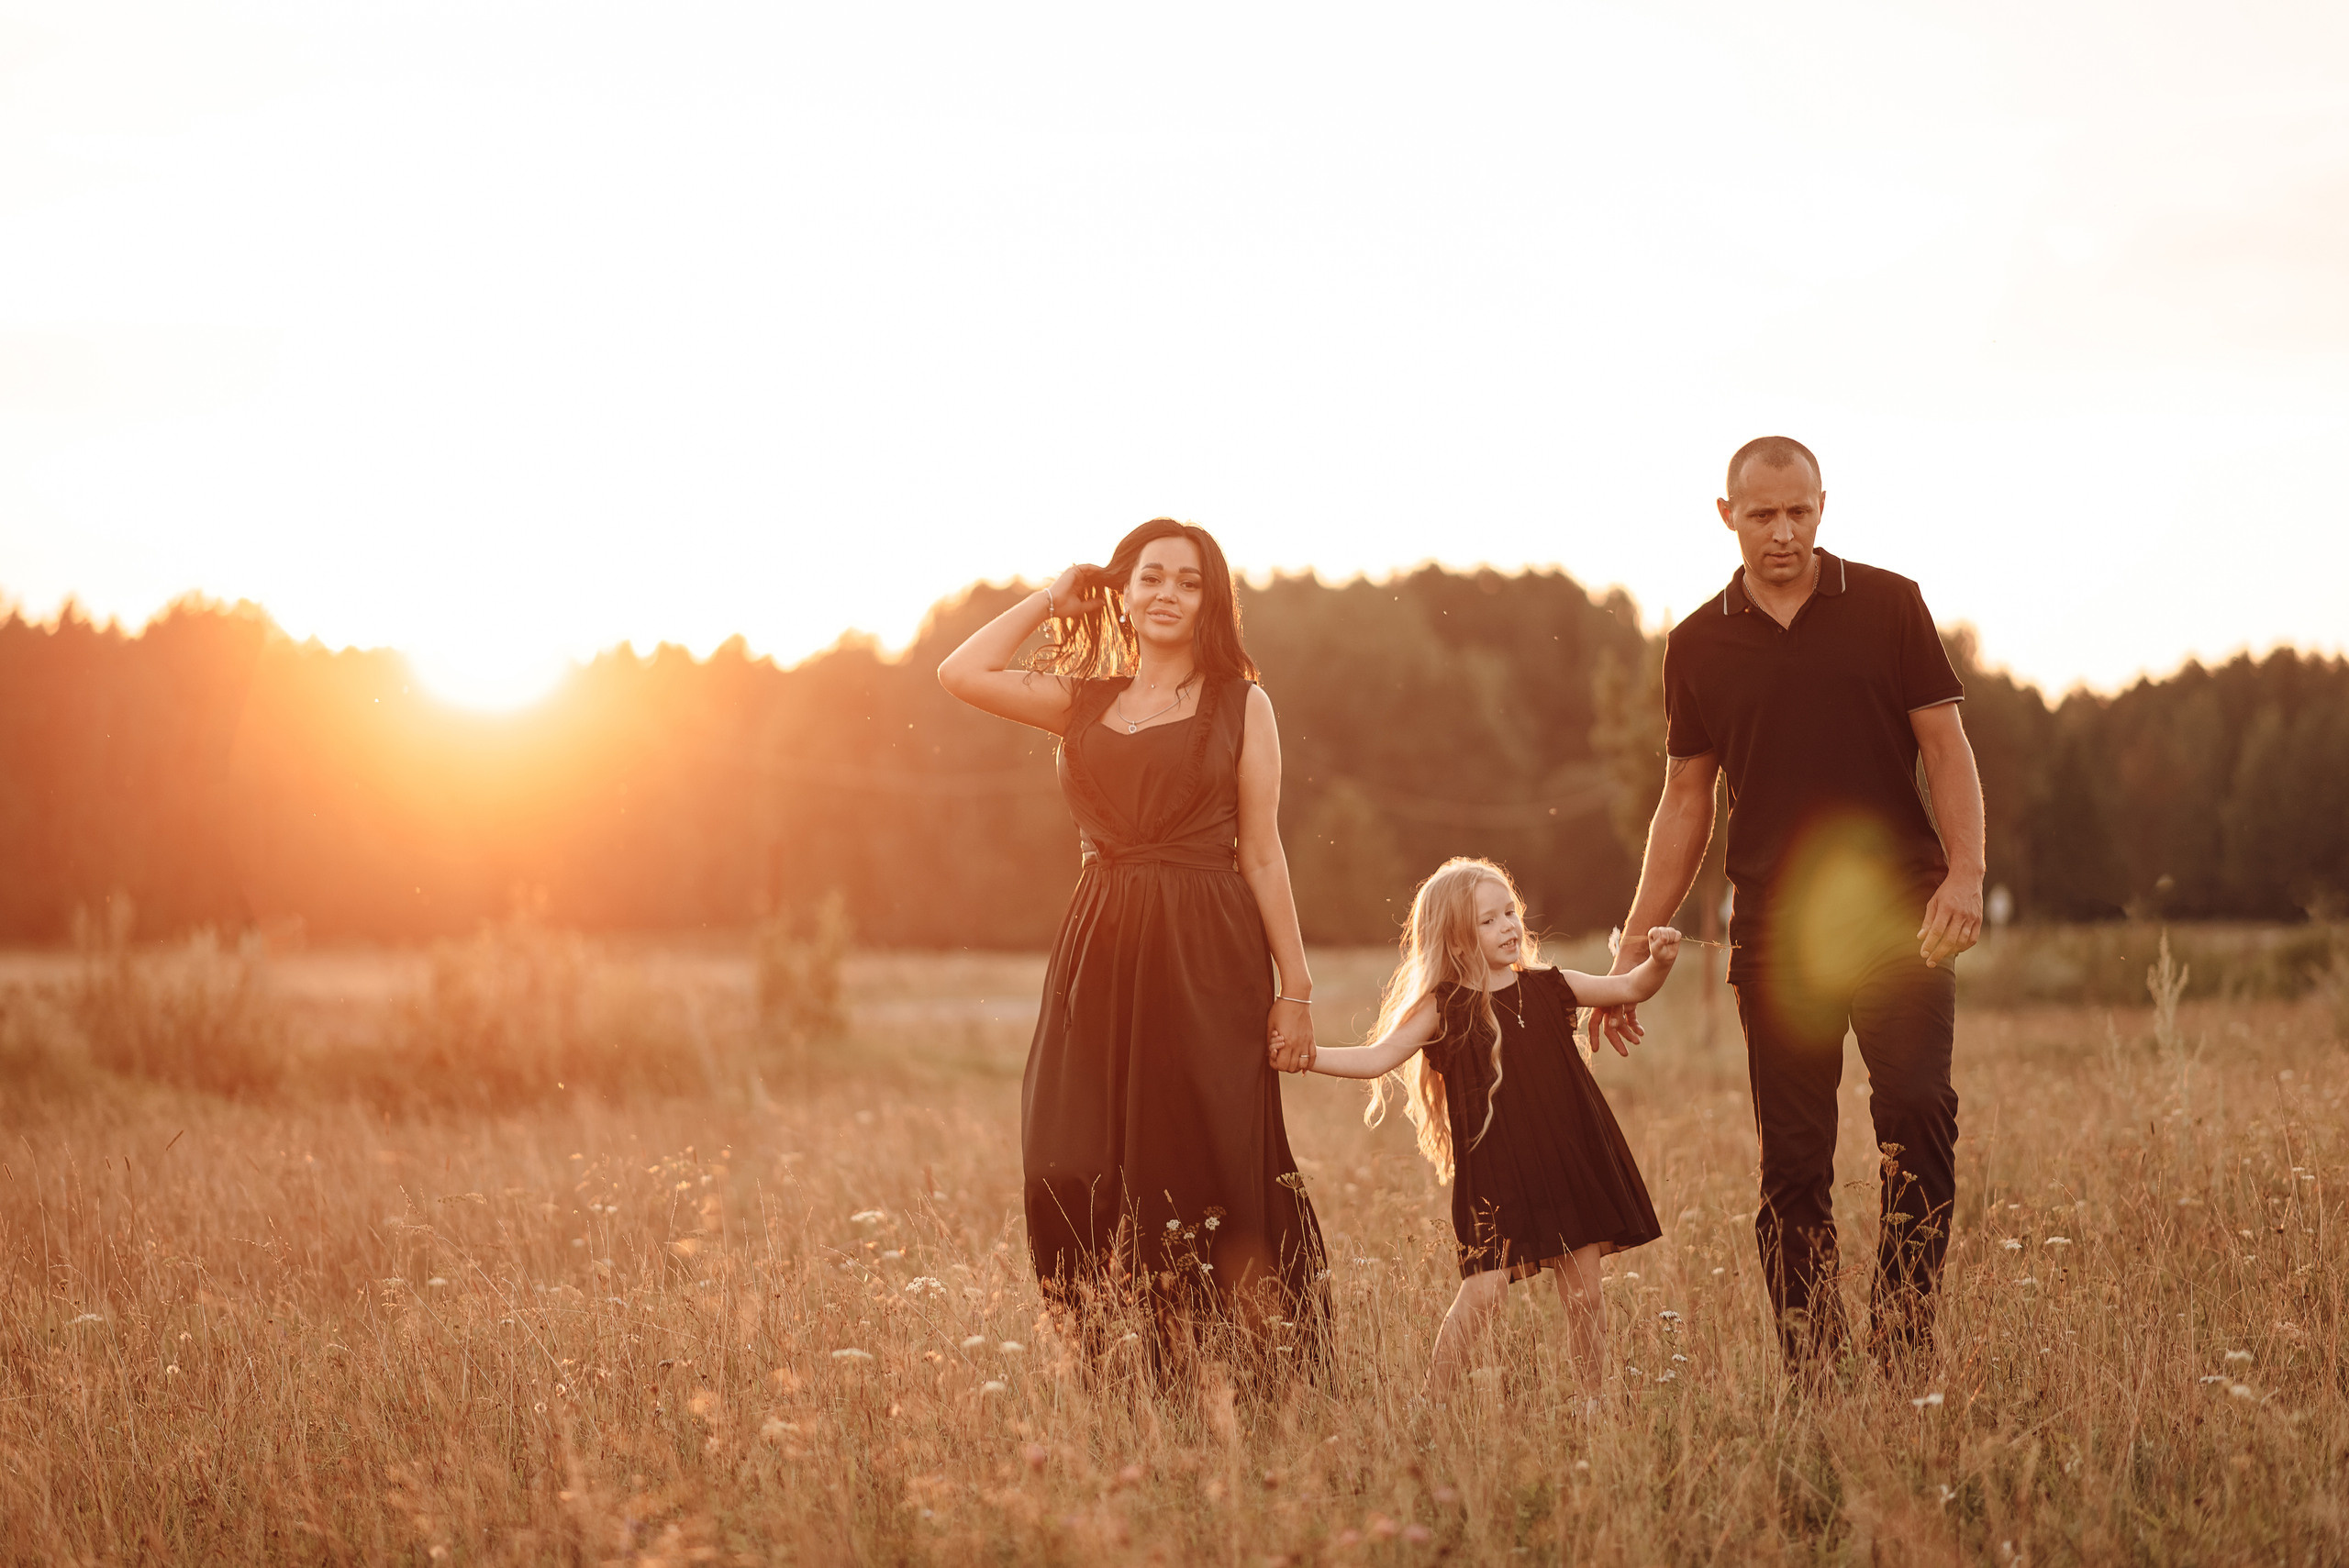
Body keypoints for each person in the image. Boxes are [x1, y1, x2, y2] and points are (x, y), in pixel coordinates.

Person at [1590, 436, 1985, 1376]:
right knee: (1793, 1164)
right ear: (1725, 515)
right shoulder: (1695, 643)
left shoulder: (1889, 604)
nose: (1782, 531)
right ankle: (1813, 1366)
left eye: (1798, 510)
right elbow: (1686, 799)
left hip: (1900, 918)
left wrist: (1964, 874)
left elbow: (1947, 747)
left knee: (1919, 1116)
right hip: (1774, 936)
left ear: (1822, 506)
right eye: (1761, 514)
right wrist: (1628, 956)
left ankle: (1900, 1343)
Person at [936, 517, 1327, 1362]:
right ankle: (1105, 1352)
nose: (1166, 595)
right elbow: (960, 672)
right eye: (1150, 576)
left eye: (1188, 582)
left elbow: (1261, 850)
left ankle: (1239, 1369)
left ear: (1209, 601)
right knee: (1064, 1157)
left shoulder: (1241, 703)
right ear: (1124, 588)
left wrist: (1294, 990)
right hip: (1100, 948)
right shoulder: (1085, 700)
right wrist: (1051, 598)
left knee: (1203, 1158)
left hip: (1206, 953)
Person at [1296, 857, 1675, 1404]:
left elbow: (1630, 985)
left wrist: (1659, 960)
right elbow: (1376, 1058)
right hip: (1497, 1174)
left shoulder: (1552, 986)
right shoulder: (1444, 1008)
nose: (1508, 927)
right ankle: (1433, 1403)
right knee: (1484, 1292)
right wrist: (1307, 1057)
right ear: (1454, 939)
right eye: (1488, 920)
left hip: (1568, 1160)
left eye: (1510, 913)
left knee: (1585, 1297)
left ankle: (1598, 1403)